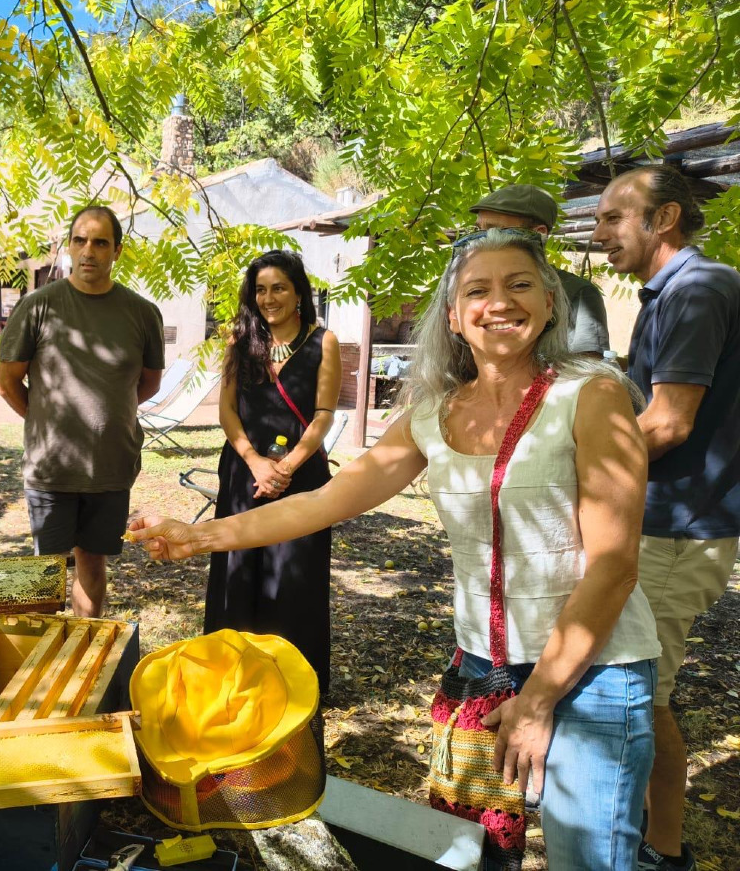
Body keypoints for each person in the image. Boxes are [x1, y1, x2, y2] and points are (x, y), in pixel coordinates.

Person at [132, 228, 661, 871]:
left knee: (590, 860)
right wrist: (202, 533)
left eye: (520, 285)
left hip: (592, 675)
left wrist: (540, 700)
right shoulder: (433, 411)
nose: (500, 302)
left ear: (551, 302)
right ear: (454, 315)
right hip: (484, 669)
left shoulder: (593, 394)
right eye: (478, 290)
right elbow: (324, 502)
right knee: (475, 856)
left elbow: (614, 566)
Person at [595, 166, 740, 871]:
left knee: (640, 693)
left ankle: (661, 851)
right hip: (655, 521)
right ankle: (627, 828)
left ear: (665, 218)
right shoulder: (671, 294)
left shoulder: (699, 289)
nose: (598, 233)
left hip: (679, 529)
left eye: (613, 217)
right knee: (626, 687)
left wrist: (569, 480)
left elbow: (670, 422)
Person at [0, 206, 164, 617]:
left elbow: (148, 383)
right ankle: (43, 662)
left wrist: (103, 418)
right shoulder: (38, 306)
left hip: (110, 465)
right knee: (45, 574)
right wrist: (46, 421)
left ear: (117, 251)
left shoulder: (142, 313)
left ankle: (86, 654)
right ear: (68, 246)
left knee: (93, 562)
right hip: (52, 468)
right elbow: (7, 382)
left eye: (100, 242)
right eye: (80, 240)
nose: (89, 251)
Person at [209, 250, 341, 693]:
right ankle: (236, 674)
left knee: (294, 575)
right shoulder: (240, 342)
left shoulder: (324, 342)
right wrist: (254, 461)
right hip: (243, 472)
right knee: (238, 566)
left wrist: (284, 467)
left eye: (279, 287)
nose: (269, 298)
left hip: (300, 477)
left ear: (299, 291)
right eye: (261, 289)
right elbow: (227, 411)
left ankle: (293, 682)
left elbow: (323, 415)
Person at [470, 184, 611, 357]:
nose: (481, 239)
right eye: (478, 230)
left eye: (494, 230)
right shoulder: (467, 288)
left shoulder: (576, 292)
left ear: (538, 233)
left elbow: (589, 368)